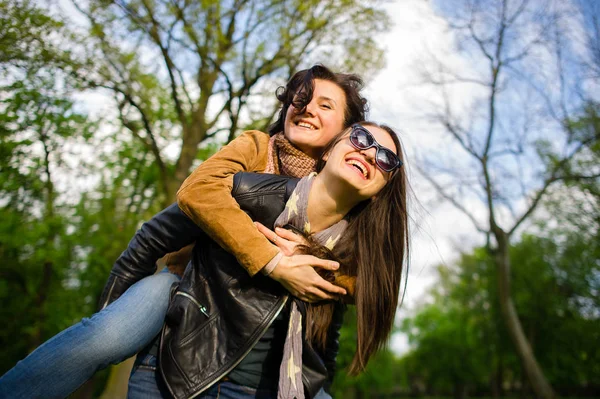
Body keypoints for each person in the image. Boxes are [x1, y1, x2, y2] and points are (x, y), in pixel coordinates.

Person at [0, 65, 370, 399]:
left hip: (262, 321)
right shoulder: (256, 147)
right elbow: (199, 191)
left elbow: (358, 280)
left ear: (346, 132)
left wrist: (310, 256)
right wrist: (271, 257)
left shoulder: (343, 189)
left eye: (325, 105)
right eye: (301, 99)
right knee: (104, 338)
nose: (306, 108)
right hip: (190, 281)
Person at [122, 121, 409, 398]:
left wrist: (311, 256)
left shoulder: (356, 255)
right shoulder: (249, 192)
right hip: (174, 376)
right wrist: (115, 321)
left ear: (382, 190)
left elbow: (327, 338)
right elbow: (152, 238)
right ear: (327, 151)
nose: (370, 153)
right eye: (360, 138)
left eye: (386, 159)